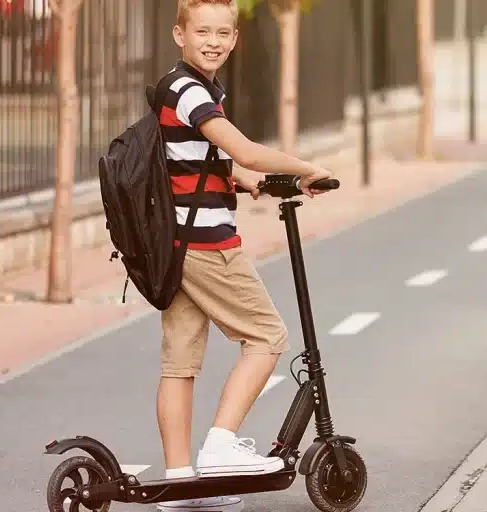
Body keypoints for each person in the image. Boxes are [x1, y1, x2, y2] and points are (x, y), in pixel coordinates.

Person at [153, 0, 333, 510]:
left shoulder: (189, 88)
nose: (213, 40)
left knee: (180, 361)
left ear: (234, 39)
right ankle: (220, 448)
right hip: (207, 244)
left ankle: (182, 483)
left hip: (177, 244)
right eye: (202, 31)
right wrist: (305, 169)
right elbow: (244, 147)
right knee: (266, 336)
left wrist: (247, 181)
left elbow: (198, 159)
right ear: (179, 34)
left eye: (223, 32)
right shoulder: (188, 90)